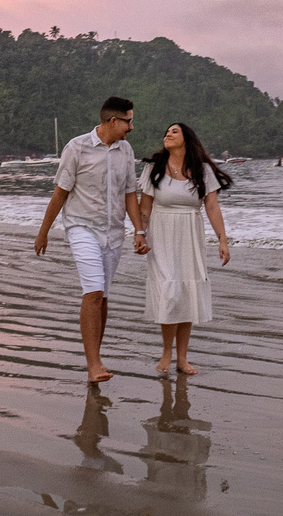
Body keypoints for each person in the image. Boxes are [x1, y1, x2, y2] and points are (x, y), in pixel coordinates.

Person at [35, 97, 149, 384]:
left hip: (113, 231)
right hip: (81, 226)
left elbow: (128, 194)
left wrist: (139, 231)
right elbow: (60, 192)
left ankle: (95, 357)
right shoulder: (77, 147)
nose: (131, 127)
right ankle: (93, 363)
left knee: (103, 296)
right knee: (94, 290)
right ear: (113, 121)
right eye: (128, 121)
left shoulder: (125, 150)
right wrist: (43, 231)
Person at [138, 123, 232, 376]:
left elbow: (212, 206)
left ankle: (182, 358)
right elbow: (144, 207)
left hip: (190, 234)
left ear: (187, 140)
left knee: (187, 293)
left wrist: (222, 240)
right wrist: (140, 234)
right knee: (170, 291)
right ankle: (166, 352)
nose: (168, 134)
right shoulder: (153, 167)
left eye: (174, 132)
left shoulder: (201, 170)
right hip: (161, 235)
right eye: (167, 132)